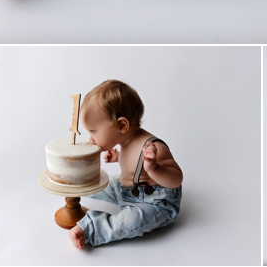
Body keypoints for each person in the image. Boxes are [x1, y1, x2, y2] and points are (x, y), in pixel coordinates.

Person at [68, 79, 182, 249]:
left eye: (93, 130)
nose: (91, 138)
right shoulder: (125, 140)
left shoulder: (154, 148)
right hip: (125, 189)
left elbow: (176, 178)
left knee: (131, 221)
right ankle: (77, 185)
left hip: (154, 202)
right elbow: (132, 161)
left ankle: (91, 227)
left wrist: (155, 168)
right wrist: (118, 157)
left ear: (122, 125)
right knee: (100, 183)